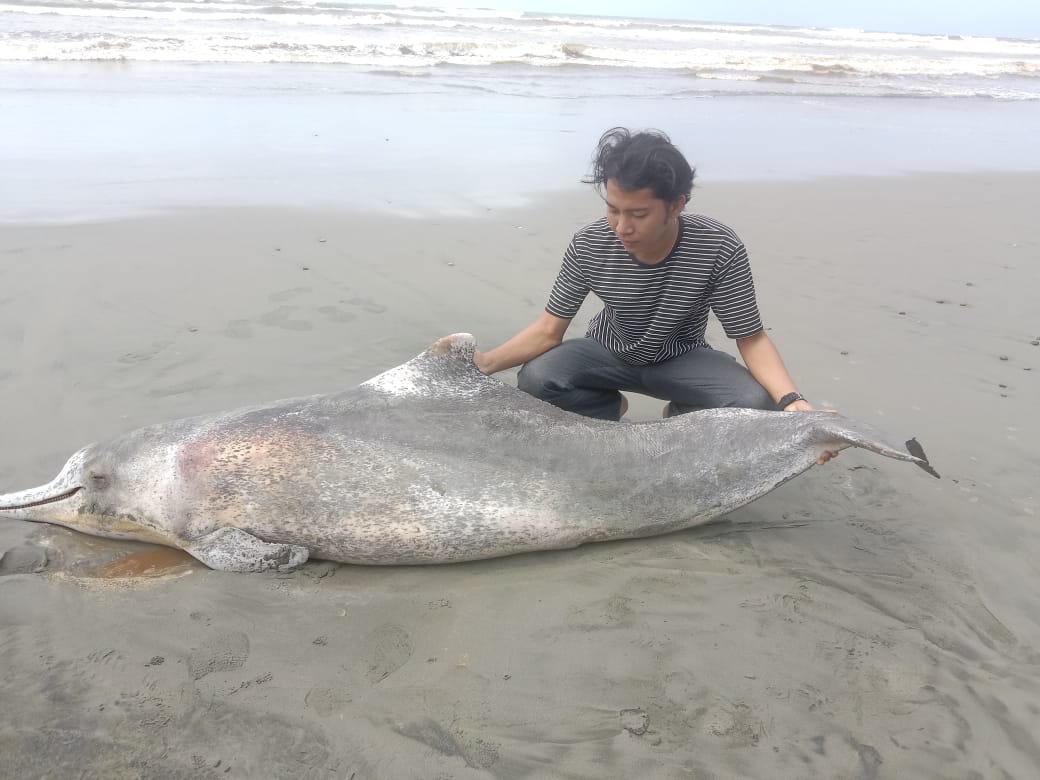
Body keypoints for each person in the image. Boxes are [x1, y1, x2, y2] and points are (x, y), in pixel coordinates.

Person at [474, 127, 836, 464]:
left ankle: (682, 418)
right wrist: (485, 364)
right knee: (537, 378)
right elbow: (548, 330)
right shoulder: (590, 243)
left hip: (682, 356)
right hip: (607, 350)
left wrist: (794, 403)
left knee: (754, 404)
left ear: (676, 205)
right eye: (613, 210)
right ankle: (601, 413)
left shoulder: (718, 246)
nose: (622, 227)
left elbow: (751, 338)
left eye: (639, 214)